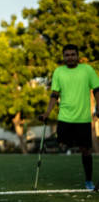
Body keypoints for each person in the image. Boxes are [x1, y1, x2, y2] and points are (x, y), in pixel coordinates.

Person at [41, 44, 99, 190]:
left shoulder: (87, 70)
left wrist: (98, 107)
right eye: (67, 55)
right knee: (61, 143)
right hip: (65, 117)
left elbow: (97, 90)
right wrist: (47, 112)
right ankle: (63, 144)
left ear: (77, 56)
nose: (70, 57)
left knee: (85, 150)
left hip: (83, 118)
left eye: (73, 54)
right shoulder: (59, 72)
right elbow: (54, 94)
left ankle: (88, 181)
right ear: (63, 57)